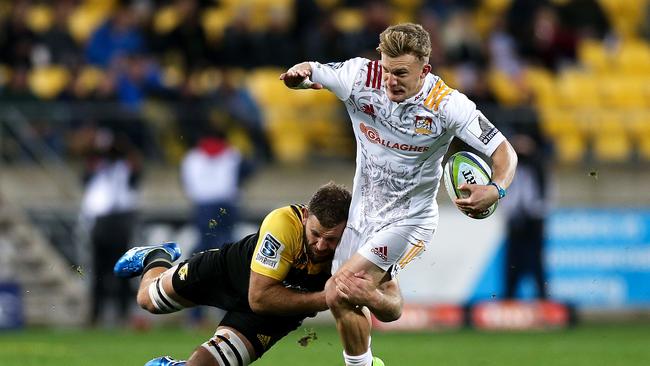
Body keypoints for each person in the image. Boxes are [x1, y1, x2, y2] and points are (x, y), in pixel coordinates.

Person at [280, 23, 518, 366]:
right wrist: (300, 76)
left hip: (410, 220)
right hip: (364, 215)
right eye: (387, 70)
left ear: (425, 69)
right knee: (342, 297)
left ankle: (379, 326)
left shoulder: (448, 105)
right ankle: (377, 332)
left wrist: (496, 189)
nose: (390, 80)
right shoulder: (361, 76)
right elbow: (314, 72)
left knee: (341, 286)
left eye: (401, 73)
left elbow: (504, 151)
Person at [113, 182, 400, 366]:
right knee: (148, 300)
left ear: (348, 231)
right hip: (228, 273)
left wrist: (371, 296)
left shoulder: (361, 243)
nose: (322, 246)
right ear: (303, 216)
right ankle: (156, 256)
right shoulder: (282, 223)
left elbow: (394, 306)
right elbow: (260, 296)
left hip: (273, 312)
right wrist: (326, 298)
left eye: (332, 239)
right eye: (315, 234)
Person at [79, 128, 142, 326]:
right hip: (101, 221)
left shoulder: (124, 168)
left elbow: (136, 168)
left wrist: (120, 147)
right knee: (99, 270)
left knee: (122, 269)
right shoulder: (96, 169)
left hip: (119, 219)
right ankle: (95, 314)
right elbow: (84, 170)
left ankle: (123, 313)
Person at [500, 125, 550, 300]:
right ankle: (509, 301)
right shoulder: (509, 168)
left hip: (533, 221)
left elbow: (542, 197)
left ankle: (543, 301)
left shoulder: (538, 167)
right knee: (512, 266)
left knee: (536, 265)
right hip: (515, 220)